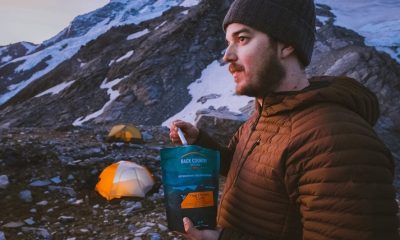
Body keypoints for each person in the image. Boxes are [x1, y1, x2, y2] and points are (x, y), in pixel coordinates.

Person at [169, 0, 399, 239]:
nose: (227, 55)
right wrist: (199, 143)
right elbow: (250, 167)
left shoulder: (337, 142)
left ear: (287, 44)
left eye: (242, 39)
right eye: (229, 43)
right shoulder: (267, 113)